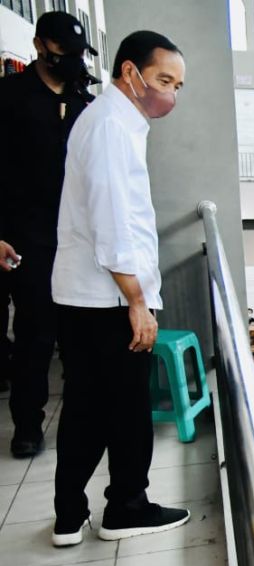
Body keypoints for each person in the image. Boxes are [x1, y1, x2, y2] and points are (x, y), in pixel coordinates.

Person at [51, 31, 190, 546]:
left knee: (85, 406)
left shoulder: (108, 121)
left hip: (84, 295)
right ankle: (126, 507)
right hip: (109, 298)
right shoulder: (111, 125)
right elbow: (113, 223)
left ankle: (69, 517)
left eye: (177, 84)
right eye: (162, 80)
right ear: (130, 72)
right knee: (128, 408)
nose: (170, 94)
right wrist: (137, 301)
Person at [0, 12, 94, 457]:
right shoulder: (9, 97)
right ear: (40, 46)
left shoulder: (82, 101)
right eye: (64, 53)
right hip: (26, 236)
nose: (72, 61)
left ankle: (83, 419)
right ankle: (28, 425)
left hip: (75, 237)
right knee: (36, 336)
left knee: (78, 336)